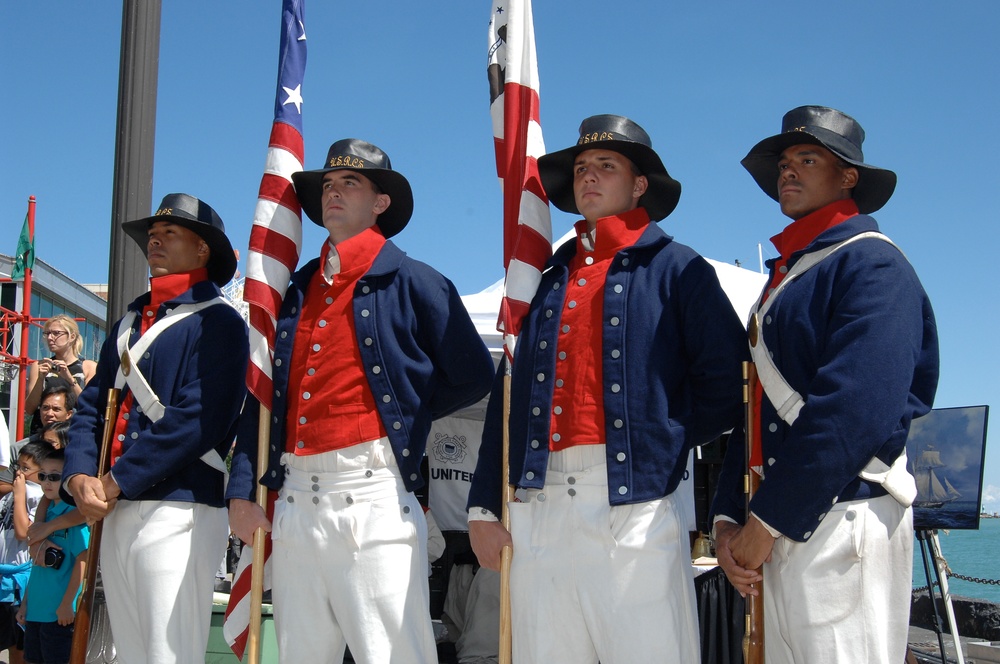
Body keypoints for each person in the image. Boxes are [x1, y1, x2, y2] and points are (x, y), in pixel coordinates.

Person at [467, 114, 748, 663]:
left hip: (634, 509)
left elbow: (730, 385)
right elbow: (509, 395)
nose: (588, 177)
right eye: (580, 168)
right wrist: (483, 506)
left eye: (606, 166)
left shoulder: (679, 270)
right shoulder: (544, 280)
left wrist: (658, 437)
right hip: (537, 505)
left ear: (639, 184)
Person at [227, 139, 494, 663]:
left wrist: (402, 416)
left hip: (372, 494)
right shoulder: (295, 288)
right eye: (328, 183)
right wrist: (242, 489)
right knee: (302, 655)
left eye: (350, 183)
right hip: (296, 498)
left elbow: (474, 375)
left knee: (391, 654)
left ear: (381, 202)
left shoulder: (419, 282)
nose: (333, 192)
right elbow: (264, 396)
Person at [711, 106, 939, 664]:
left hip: (843, 516)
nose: (787, 172)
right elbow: (753, 410)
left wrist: (765, 522)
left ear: (848, 177)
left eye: (807, 159)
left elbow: (853, 412)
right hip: (783, 514)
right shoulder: (786, 280)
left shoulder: (873, 266)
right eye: (784, 162)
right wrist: (726, 519)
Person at [63, 193, 249, 664]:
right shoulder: (129, 322)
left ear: (202, 249)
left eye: (170, 233)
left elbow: (198, 420)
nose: (155, 241)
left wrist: (113, 480)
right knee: (131, 653)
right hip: (117, 505)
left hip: (180, 505)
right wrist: (79, 476)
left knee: (169, 654)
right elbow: (91, 408)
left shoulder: (220, 323)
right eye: (153, 235)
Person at [17, 444, 89, 664]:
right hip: (35, 611)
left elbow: (83, 559)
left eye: (55, 477)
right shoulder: (45, 514)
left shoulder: (73, 516)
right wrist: (25, 603)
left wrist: (68, 603)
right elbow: (37, 567)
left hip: (59, 615)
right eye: (43, 476)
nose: (47, 482)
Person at [0, 442, 47, 664]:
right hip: (3, 578)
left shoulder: (36, 495)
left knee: (18, 646)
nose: (19, 473)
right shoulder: (12, 492)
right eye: (18, 467)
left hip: (19, 582)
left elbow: (23, 532)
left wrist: (19, 495)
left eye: (26, 469)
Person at [24, 314, 96, 433]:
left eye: (56, 333)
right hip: (42, 434)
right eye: (47, 334)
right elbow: (30, 409)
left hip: (74, 433)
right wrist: (40, 379)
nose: (50, 338)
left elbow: (89, 406)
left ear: (72, 336)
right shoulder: (39, 366)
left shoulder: (88, 367)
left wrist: (69, 378)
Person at [0, 386, 75, 500]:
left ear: (69, 413)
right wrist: (27, 491)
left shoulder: (77, 448)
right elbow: (2, 486)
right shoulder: (18, 448)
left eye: (56, 409)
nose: (49, 413)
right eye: (45, 408)